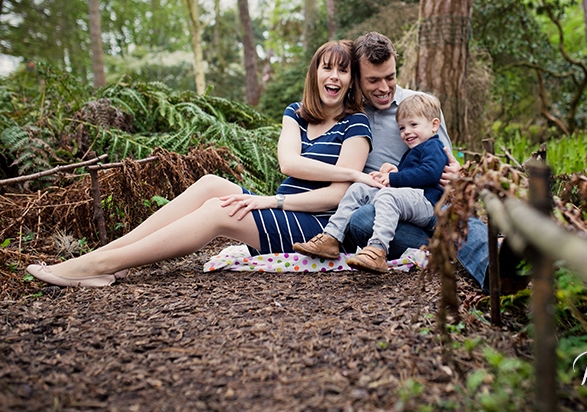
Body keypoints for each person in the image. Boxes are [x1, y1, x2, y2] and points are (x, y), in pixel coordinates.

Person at [26, 40, 381, 287]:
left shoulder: (355, 123)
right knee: (211, 183)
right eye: (327, 68)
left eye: (343, 71)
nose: (333, 77)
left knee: (218, 211)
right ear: (315, 72)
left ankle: (99, 265)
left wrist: (274, 201)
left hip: (318, 228)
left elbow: (337, 197)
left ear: (351, 81)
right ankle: (103, 254)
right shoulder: (296, 114)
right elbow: (288, 164)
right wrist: (350, 173)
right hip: (284, 210)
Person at [340, 32, 494, 290]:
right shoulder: (350, 113)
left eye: (390, 77)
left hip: (428, 199)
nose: (384, 87)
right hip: (386, 207)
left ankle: (494, 269)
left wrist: (457, 173)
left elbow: (444, 160)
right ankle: (441, 248)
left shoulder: (419, 106)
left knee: (450, 213)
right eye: (373, 80)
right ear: (356, 78)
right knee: (361, 221)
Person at [292, 93, 448, 273]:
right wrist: (393, 173)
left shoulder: (433, 147)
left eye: (413, 125)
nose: (407, 132)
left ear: (434, 125)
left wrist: (395, 179)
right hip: (411, 199)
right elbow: (412, 175)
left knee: (388, 195)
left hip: (428, 202)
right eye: (402, 128)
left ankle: (378, 249)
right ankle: (332, 236)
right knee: (359, 188)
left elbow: (430, 173)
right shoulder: (414, 150)